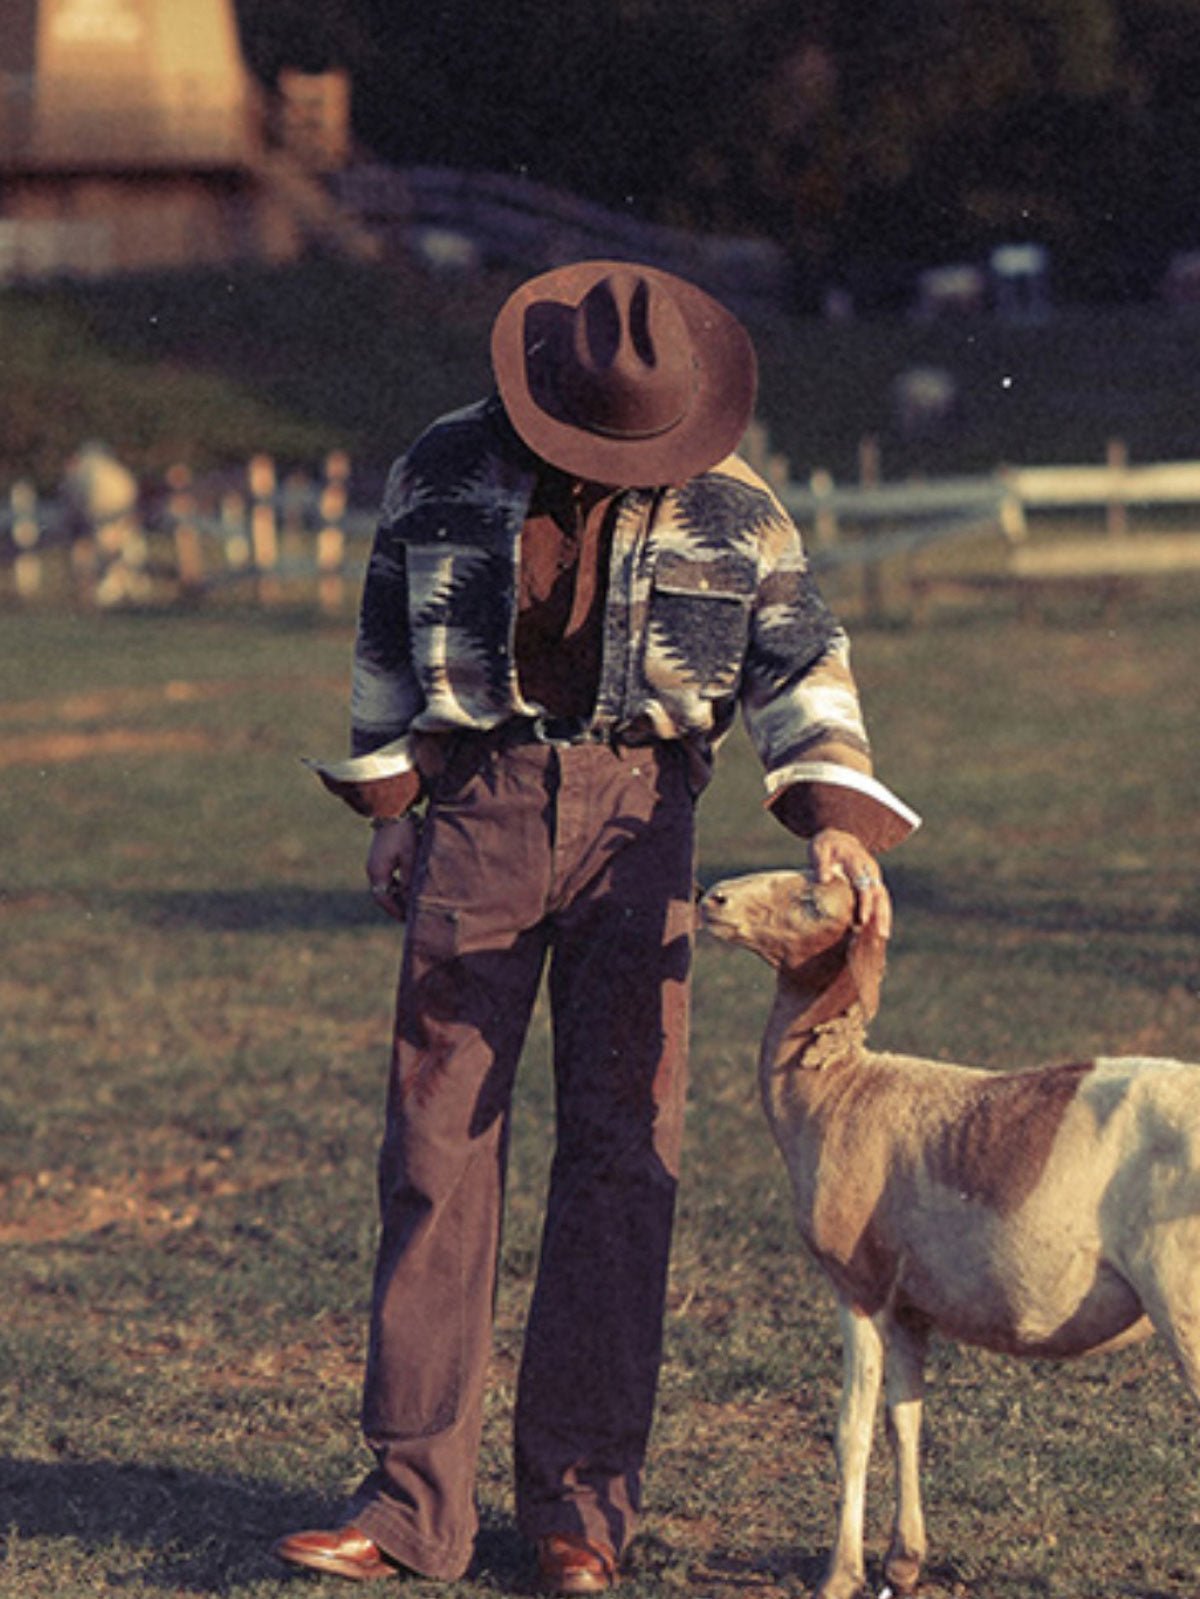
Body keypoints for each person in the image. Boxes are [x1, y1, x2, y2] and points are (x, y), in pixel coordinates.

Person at [274, 260, 919, 1594]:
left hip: (646, 824)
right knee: (437, 1146)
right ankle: (406, 1505)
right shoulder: (444, 467)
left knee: (626, 1151)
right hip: (480, 807)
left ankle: (580, 1510)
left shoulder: (739, 512)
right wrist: (392, 807)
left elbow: (802, 663)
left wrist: (832, 820)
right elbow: (387, 634)